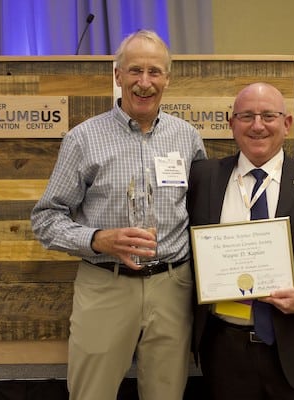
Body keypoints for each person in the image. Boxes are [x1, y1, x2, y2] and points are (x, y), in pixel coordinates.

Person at [31, 30, 206, 400]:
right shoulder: (83, 139)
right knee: (91, 393)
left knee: (167, 393)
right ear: (118, 75)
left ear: (168, 79)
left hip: (173, 286)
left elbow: (202, 210)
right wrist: (97, 239)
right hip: (105, 284)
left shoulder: (187, 138)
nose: (145, 82)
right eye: (135, 71)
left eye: (155, 72)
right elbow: (45, 219)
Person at [187, 82, 294, 400]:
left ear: (287, 123)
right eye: (246, 116)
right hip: (225, 354)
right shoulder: (204, 177)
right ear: (231, 124)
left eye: (268, 115)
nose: (257, 125)